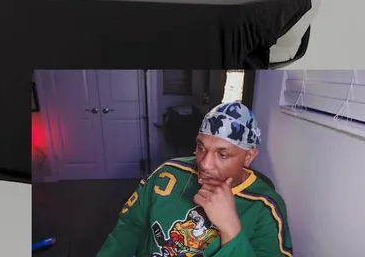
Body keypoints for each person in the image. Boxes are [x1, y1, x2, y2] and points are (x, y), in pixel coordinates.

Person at [96, 100, 293, 257]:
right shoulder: (167, 174)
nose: (205, 164)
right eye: (201, 148)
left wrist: (231, 229)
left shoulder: (265, 208)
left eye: (222, 154)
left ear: (248, 157)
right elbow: (129, 228)